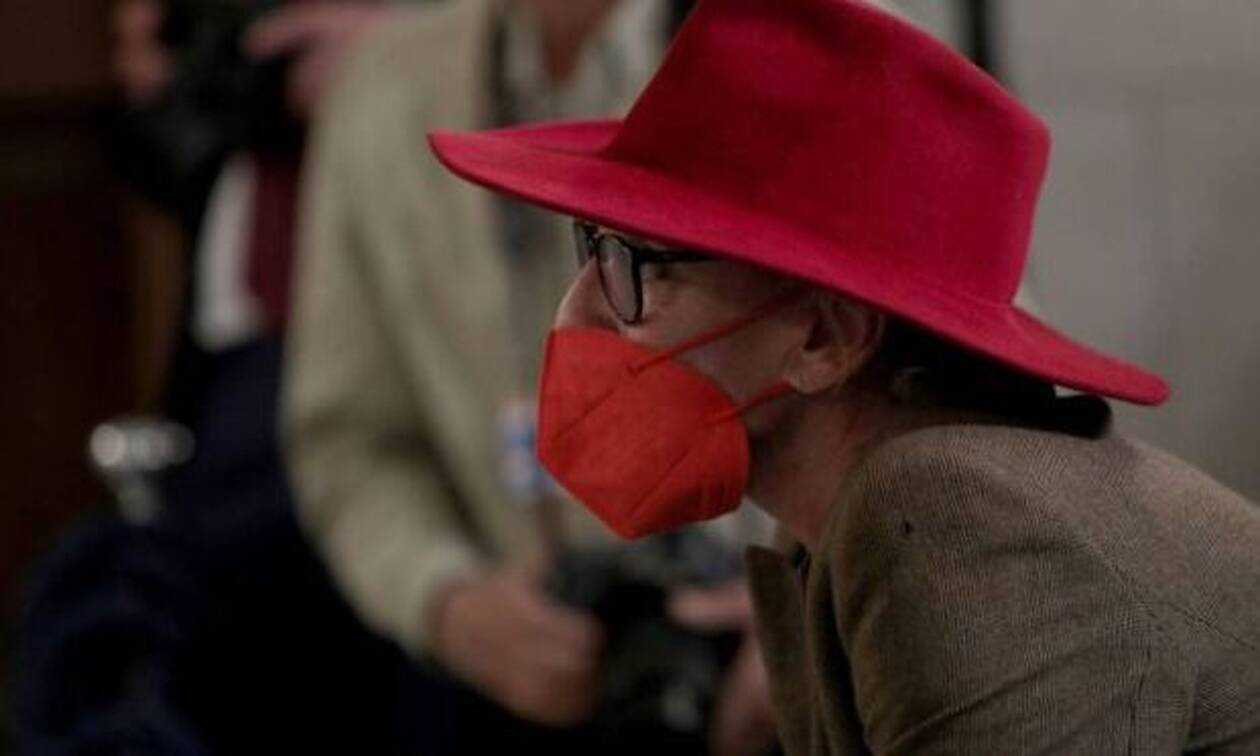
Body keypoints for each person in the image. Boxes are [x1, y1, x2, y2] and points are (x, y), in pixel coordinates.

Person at [426, 0, 1260, 752]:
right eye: (592, 247)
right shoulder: (828, 529)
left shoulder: (950, 516)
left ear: (827, 337)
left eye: (636, 265)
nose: (577, 312)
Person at [284, 0, 777, 753]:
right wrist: (447, 601)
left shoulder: (823, 41)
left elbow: (926, 401)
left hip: (783, 681)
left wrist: (809, 607)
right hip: (521, 685)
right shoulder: (381, 89)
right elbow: (349, 440)